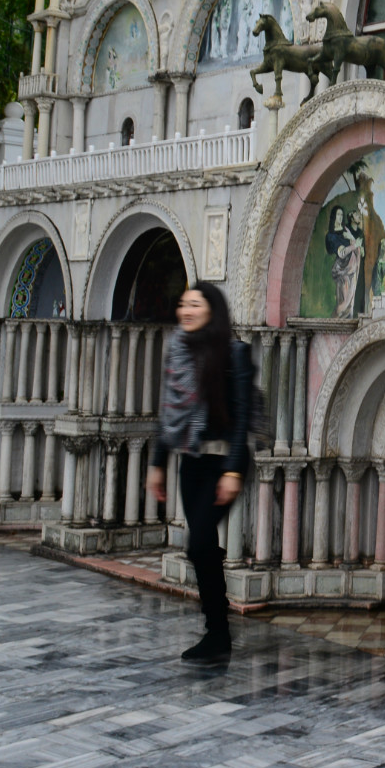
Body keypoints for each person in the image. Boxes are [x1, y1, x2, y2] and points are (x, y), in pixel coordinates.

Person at [145, 281, 254, 662]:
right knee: (203, 547)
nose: (186, 311)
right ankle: (217, 632)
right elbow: (169, 415)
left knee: (199, 544)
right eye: (183, 304)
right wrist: (157, 464)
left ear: (212, 310)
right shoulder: (178, 352)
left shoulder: (234, 353)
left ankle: (217, 631)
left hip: (221, 463)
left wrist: (233, 470)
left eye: (195, 304)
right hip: (191, 463)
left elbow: (242, 418)